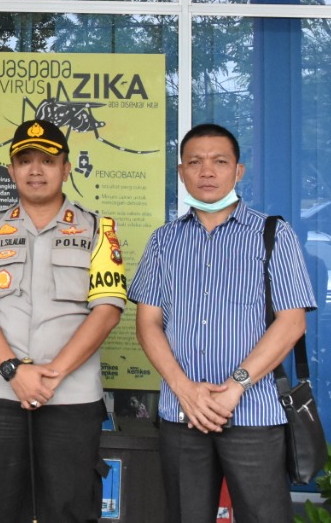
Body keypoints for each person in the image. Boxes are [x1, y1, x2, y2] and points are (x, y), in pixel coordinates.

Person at [128, 123, 317, 523]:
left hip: (253, 412)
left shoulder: (273, 235)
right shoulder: (163, 241)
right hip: (182, 413)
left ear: (238, 170)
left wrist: (234, 388)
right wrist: (184, 390)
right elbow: (147, 323)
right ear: (181, 172)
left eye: (219, 161)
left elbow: (291, 323)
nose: (207, 171)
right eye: (195, 162)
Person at [0, 119, 128, 523]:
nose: (36, 170)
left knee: (68, 508)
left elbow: (107, 311)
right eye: (25, 161)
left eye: (48, 161)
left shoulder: (98, 230)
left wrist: (53, 375)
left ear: (66, 168)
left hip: (72, 396)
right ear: (12, 170)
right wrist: (13, 370)